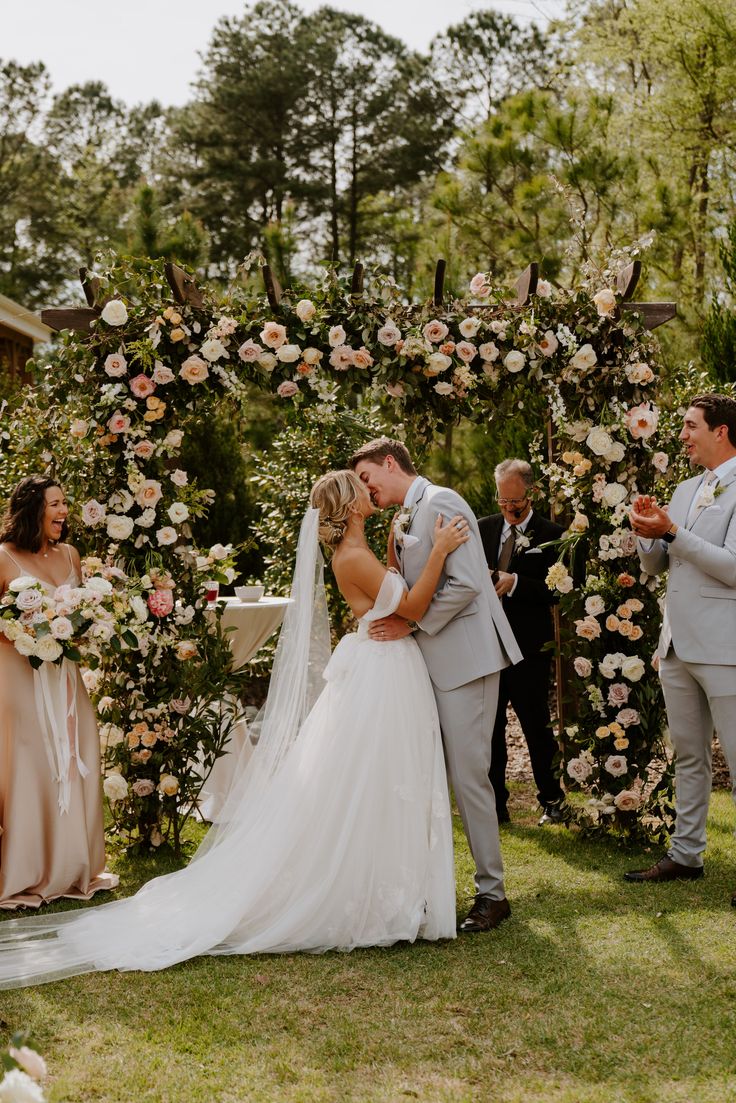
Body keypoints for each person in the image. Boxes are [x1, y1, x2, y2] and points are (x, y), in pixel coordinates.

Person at [0, 470, 466, 988]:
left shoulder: (361, 550)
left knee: (377, 779)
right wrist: (442, 551)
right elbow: (415, 605)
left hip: (383, 666)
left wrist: (398, 556)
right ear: (349, 506)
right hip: (382, 670)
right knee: (372, 777)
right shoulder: (353, 558)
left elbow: (395, 598)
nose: (367, 490)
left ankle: (390, 885)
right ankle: (377, 891)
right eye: (359, 487)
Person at [349, 438, 522, 934]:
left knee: (470, 777)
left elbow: (467, 583)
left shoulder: (441, 501)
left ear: (389, 463)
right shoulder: (406, 514)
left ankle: (493, 894)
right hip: (432, 662)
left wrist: (412, 625)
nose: (367, 489)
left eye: (367, 477)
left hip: (466, 661)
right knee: (435, 776)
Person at [625, 393, 736, 904]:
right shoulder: (687, 486)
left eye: (692, 426)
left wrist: (671, 531)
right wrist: (647, 531)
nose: (684, 435)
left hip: (725, 645)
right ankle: (686, 853)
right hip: (677, 644)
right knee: (689, 756)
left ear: (722, 431)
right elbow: (656, 566)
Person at [0, 475, 118, 909]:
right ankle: (24, 870)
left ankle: (72, 865)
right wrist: (20, 632)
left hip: (65, 678)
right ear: (33, 508)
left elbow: (82, 612)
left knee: (78, 748)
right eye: (55, 504)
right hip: (17, 677)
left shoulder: (71, 554)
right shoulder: (4, 558)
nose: (64, 511)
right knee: (29, 763)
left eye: (65, 503)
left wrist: (84, 629)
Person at [477, 459, 566, 826]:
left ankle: (552, 800)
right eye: (503, 501)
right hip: (486, 646)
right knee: (490, 729)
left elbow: (560, 589)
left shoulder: (553, 534)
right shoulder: (482, 529)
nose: (510, 509)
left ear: (531, 493)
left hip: (529, 647)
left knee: (536, 726)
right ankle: (496, 806)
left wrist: (514, 583)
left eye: (516, 501)